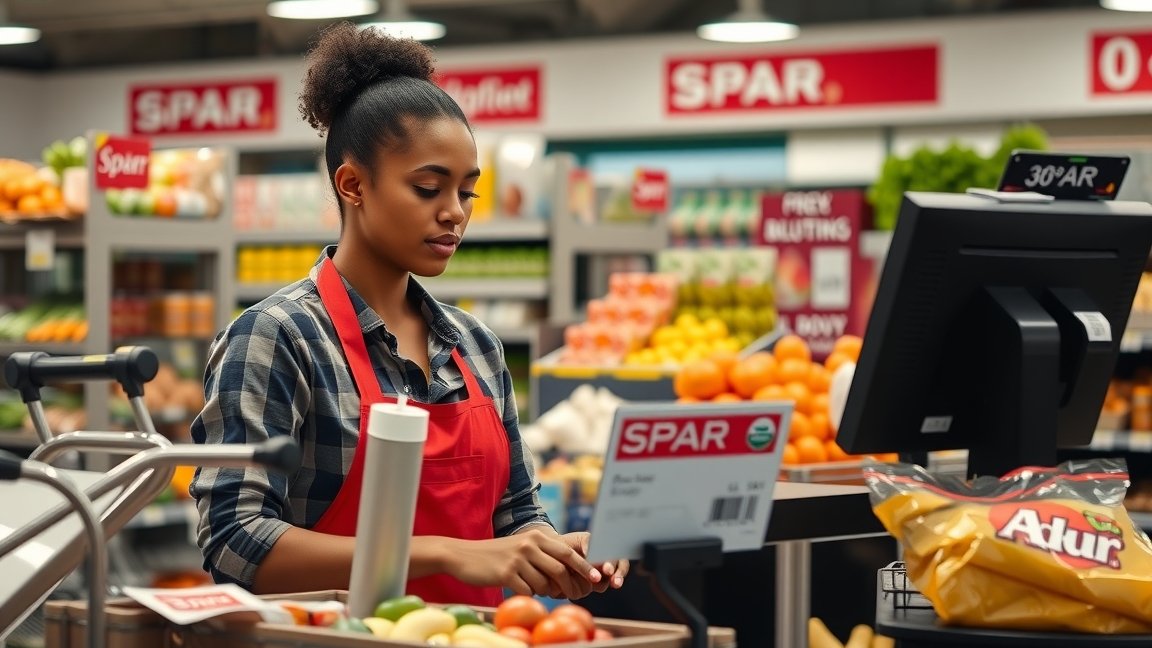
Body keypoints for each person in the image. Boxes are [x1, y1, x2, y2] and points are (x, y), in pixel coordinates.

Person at [189, 22, 628, 606]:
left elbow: (515, 514)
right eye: (428, 188)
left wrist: (554, 551)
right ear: (353, 185)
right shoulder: (277, 337)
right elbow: (236, 541)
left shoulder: (476, 346)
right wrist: (449, 551)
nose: (454, 214)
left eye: (467, 192)